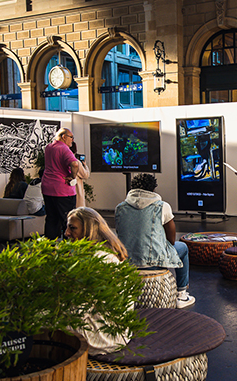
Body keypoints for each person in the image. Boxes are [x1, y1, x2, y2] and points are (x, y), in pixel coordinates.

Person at [114, 173, 195, 308]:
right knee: (183, 248)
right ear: (153, 189)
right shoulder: (162, 206)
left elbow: (121, 233)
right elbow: (171, 240)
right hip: (153, 263)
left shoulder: (120, 208)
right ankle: (182, 294)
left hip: (127, 261)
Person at [64, 207, 131, 355]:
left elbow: (79, 309)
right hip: (110, 326)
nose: (66, 233)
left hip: (105, 335)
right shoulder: (98, 252)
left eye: (72, 228)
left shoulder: (100, 260)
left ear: (90, 230)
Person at [41, 128, 80, 239]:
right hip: (62, 190)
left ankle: (49, 246)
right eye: (71, 137)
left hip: (47, 187)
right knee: (68, 220)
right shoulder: (64, 148)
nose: (72, 140)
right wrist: (72, 177)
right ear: (63, 137)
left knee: (51, 219)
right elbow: (75, 164)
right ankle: (68, 246)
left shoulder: (49, 147)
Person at [69, 140, 91, 207]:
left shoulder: (62, 159)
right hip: (76, 190)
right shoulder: (76, 162)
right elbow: (86, 175)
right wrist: (85, 165)